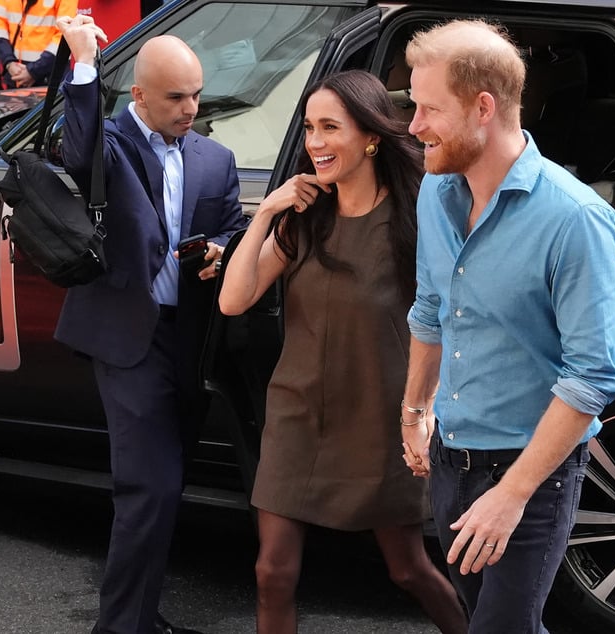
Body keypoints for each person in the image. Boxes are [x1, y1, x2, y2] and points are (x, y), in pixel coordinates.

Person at [218, 69, 467, 634]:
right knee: (271, 573)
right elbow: (234, 300)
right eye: (309, 128)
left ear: (371, 136)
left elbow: (452, 317)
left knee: (408, 570)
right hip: (297, 414)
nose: (315, 143)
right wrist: (265, 213)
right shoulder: (306, 219)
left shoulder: (414, 220)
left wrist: (426, 408)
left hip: (379, 420)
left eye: (331, 127)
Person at [399, 19, 615, 633]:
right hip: (451, 459)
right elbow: (430, 308)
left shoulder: (576, 220)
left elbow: (590, 380)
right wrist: (416, 408)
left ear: (482, 108)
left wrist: (513, 494)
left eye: (427, 109)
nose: (414, 126)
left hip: (531, 473)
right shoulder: (435, 190)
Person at [55, 14, 247, 634]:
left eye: (196, 94)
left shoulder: (215, 159)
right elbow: (76, 147)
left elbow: (230, 230)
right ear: (138, 94)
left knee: (165, 489)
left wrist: (221, 249)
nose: (190, 107)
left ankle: (138, 617)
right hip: (126, 340)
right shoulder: (110, 144)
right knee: (151, 489)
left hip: (187, 343)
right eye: (175, 97)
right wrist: (83, 62)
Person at [0, 0, 77, 87]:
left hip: (49, 72)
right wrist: (9, 62)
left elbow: (64, 33)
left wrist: (34, 71)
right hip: (16, 73)